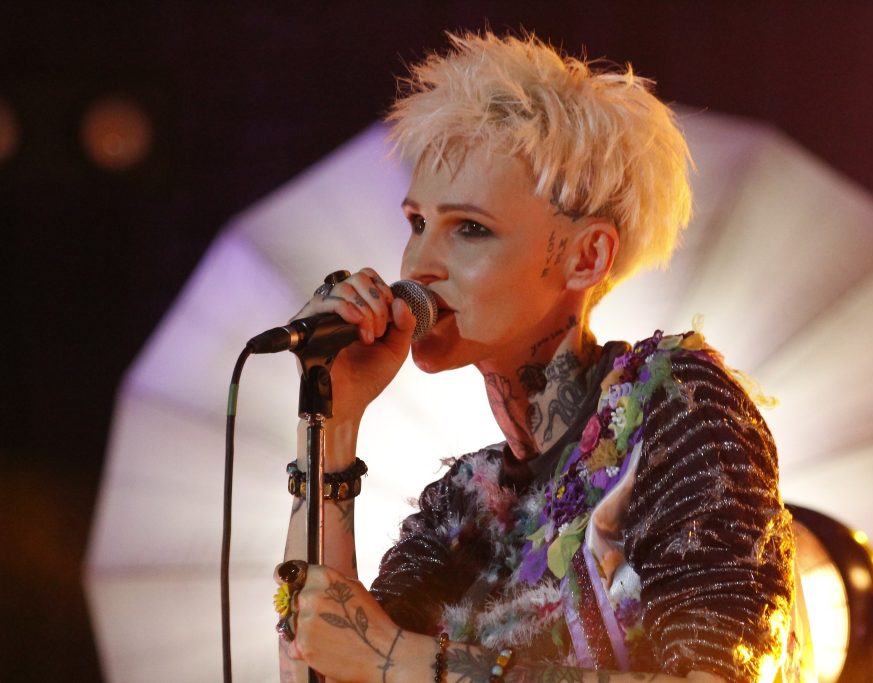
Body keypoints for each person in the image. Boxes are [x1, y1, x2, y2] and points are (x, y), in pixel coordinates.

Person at [274, 31, 801, 683]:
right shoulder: (462, 505)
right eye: (417, 223)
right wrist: (331, 423)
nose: (419, 265)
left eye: (471, 228)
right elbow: (319, 666)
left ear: (587, 257)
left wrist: (401, 658)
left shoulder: (673, 407)